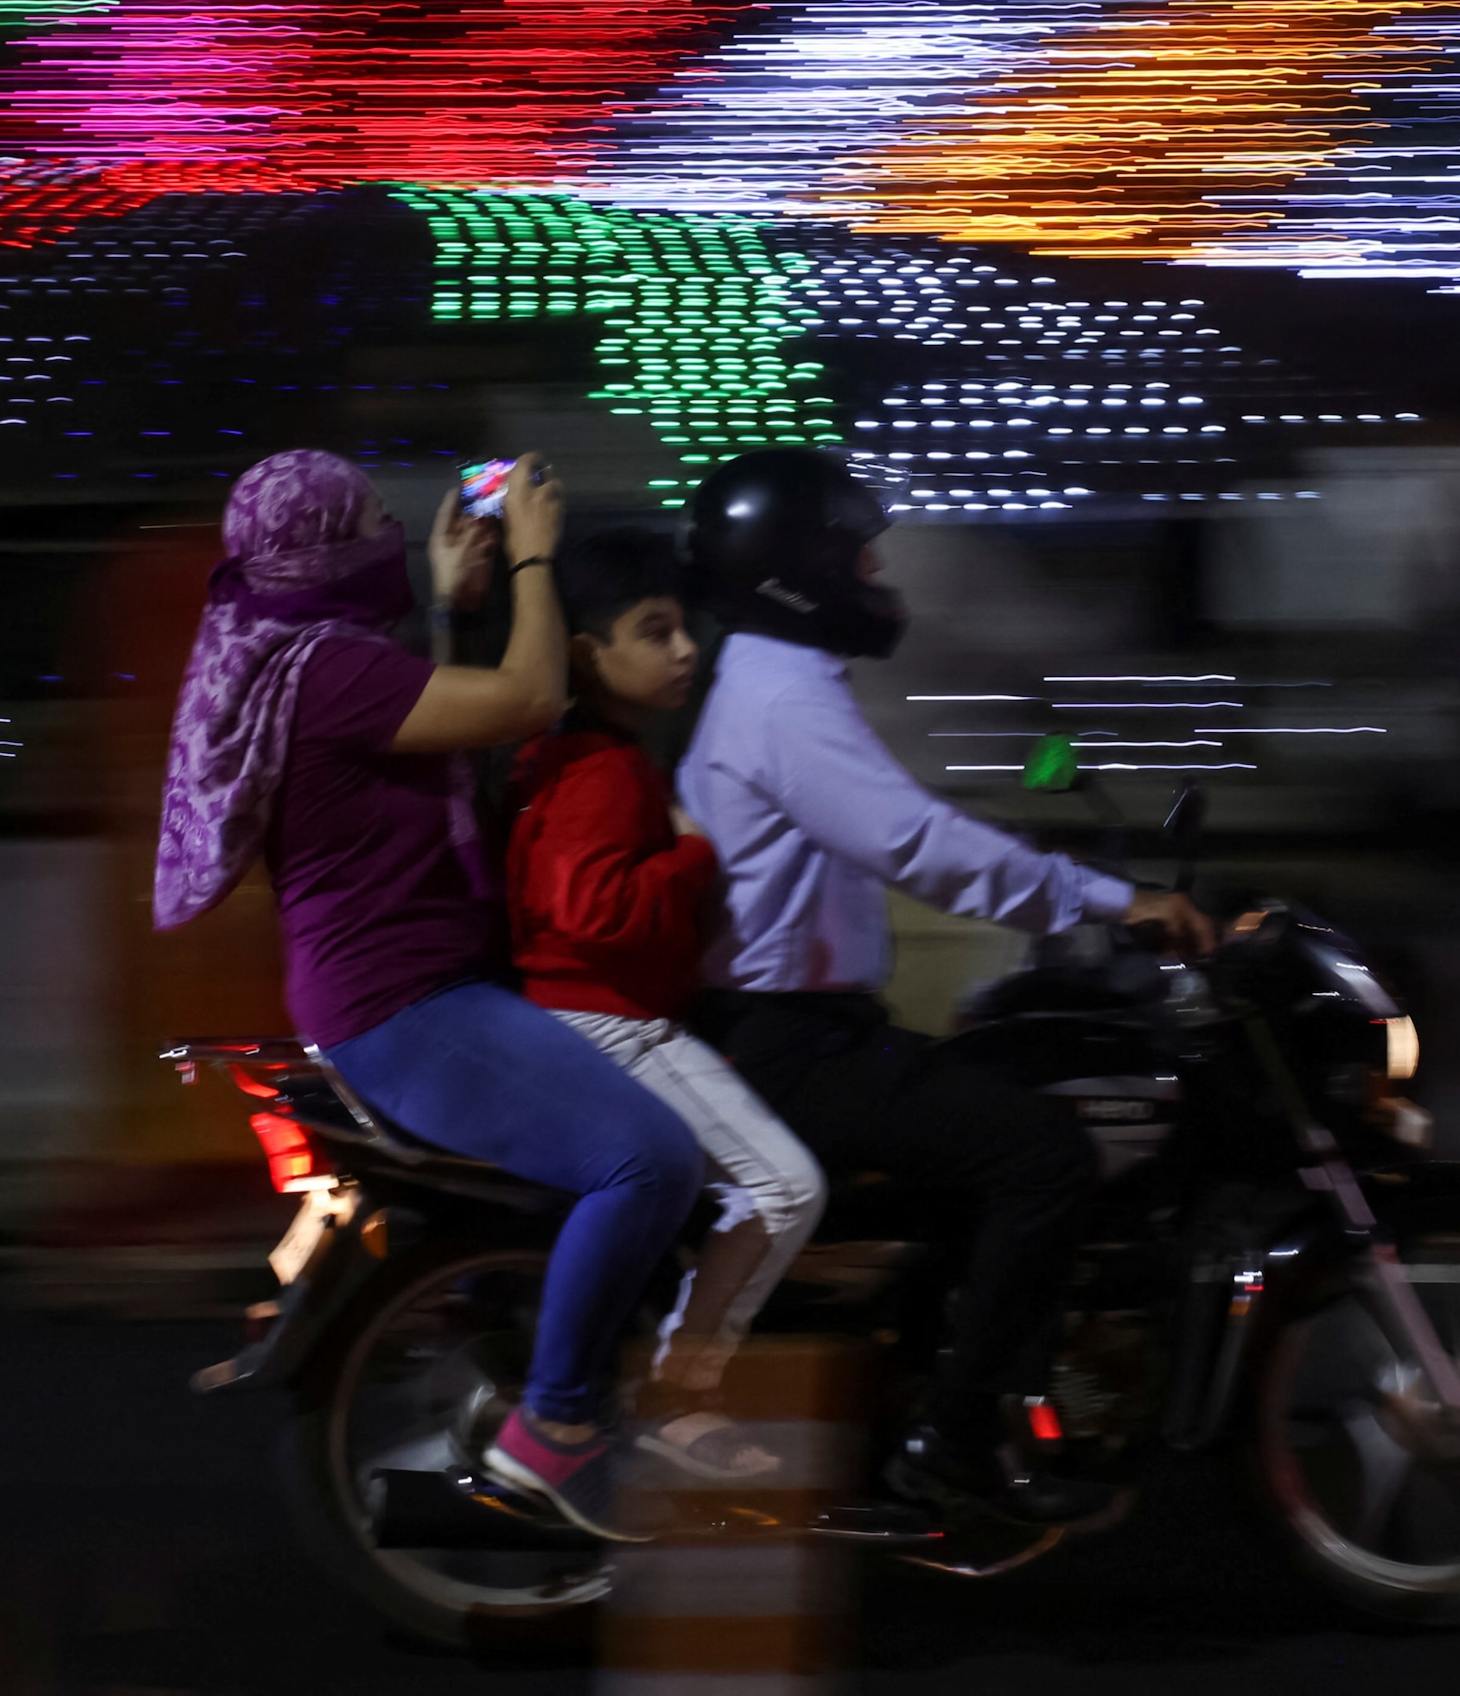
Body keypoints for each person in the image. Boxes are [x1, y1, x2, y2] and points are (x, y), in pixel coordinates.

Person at [153, 449, 698, 1540]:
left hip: (406, 986)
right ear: (324, 551)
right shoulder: (323, 669)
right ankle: (556, 1429)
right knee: (648, 1161)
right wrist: (536, 551)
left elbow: (427, 733)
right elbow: (529, 698)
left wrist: (455, 601)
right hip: (410, 1005)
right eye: (364, 521)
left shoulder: (307, 654)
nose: (384, 535)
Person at [673, 449, 1213, 1526]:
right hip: (788, 1042)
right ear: (799, 569)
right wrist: (1107, 900)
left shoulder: (781, 681)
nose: (877, 570)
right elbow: (913, 840)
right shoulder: (778, 693)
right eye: (857, 550)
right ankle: (955, 1444)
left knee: (985, 1102)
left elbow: (903, 831)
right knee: (1043, 1155)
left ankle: (953, 1389)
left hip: (797, 1028)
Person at [505, 522, 828, 1477]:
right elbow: (594, 909)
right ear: (585, 653)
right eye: (654, 631)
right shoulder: (606, 770)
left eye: (684, 627)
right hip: (610, 1021)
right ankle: (684, 1390)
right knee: (783, 1187)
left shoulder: (559, 757)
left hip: (587, 1012)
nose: (685, 649)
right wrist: (691, 854)